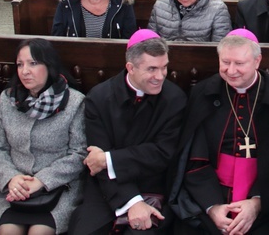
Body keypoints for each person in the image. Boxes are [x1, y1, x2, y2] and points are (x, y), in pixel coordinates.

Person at [169, 30, 269, 234]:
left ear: (257, 61)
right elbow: (193, 160)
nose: (231, 71)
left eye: (239, 63)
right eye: (225, 62)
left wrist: (257, 203)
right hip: (212, 192)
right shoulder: (203, 94)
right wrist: (212, 207)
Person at [69, 30, 187, 234]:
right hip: (106, 187)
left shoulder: (175, 99)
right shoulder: (99, 97)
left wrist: (108, 159)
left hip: (152, 185)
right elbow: (97, 164)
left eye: (164, 67)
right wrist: (132, 202)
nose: (160, 76)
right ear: (130, 68)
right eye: (152, 69)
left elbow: (162, 153)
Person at [0, 38, 86, 235]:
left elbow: (79, 153)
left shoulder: (75, 101)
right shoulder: (7, 99)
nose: (25, 71)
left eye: (33, 63)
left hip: (58, 187)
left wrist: (41, 180)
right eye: (20, 64)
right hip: (16, 189)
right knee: (8, 231)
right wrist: (12, 178)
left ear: (49, 65)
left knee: (39, 232)